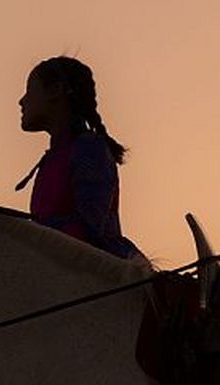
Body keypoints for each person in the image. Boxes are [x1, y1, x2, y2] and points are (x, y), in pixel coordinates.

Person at [16, 55, 141, 259]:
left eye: (30, 90)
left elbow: (90, 229)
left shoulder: (89, 149)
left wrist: (27, 235)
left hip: (101, 275)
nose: (22, 101)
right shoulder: (53, 158)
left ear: (56, 91)